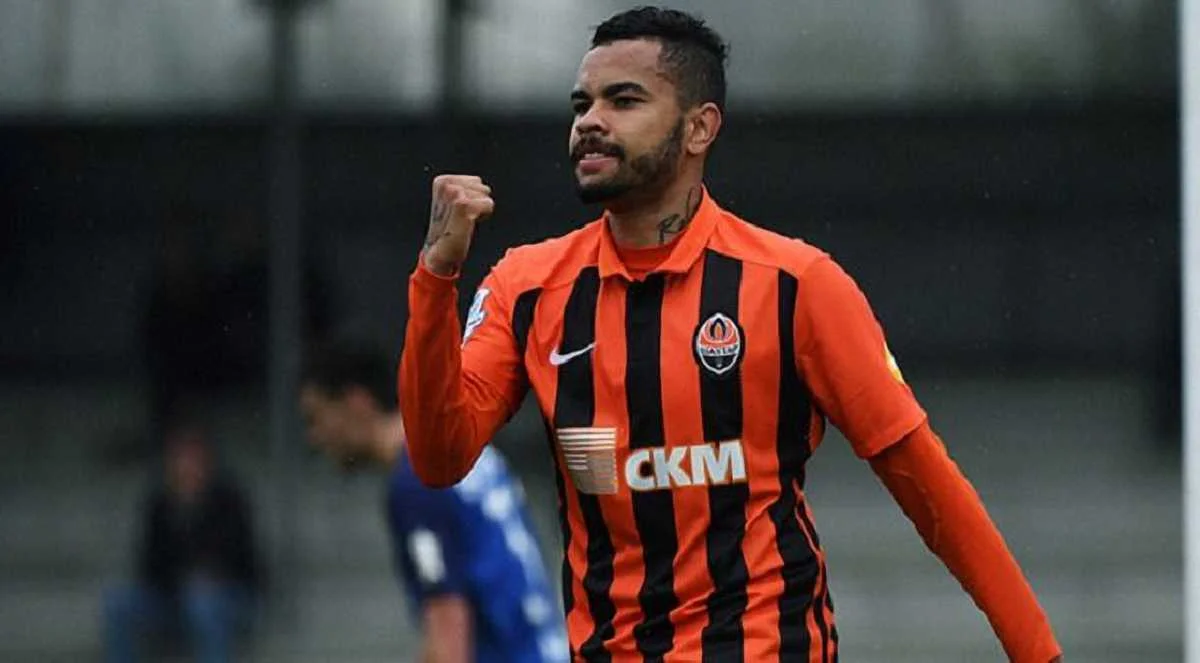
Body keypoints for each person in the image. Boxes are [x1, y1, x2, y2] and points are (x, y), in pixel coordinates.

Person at [398, 6, 1064, 662]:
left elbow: (928, 483)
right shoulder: (526, 286)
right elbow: (439, 456)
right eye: (582, 104)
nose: (590, 121)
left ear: (699, 128)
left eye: (623, 100)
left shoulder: (796, 285)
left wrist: (1037, 652)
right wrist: (436, 278)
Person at [299, 342, 568, 663]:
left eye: (316, 417)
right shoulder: (463, 449)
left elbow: (449, 641)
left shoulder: (418, 482)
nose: (314, 436)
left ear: (357, 402)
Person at [103, 419, 261, 663]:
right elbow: (148, 563)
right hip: (173, 594)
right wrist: (178, 579)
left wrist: (209, 577)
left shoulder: (230, 501)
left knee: (204, 605)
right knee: (117, 603)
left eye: (193, 459)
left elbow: (243, 560)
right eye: (180, 459)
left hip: (228, 595)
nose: (187, 467)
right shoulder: (159, 504)